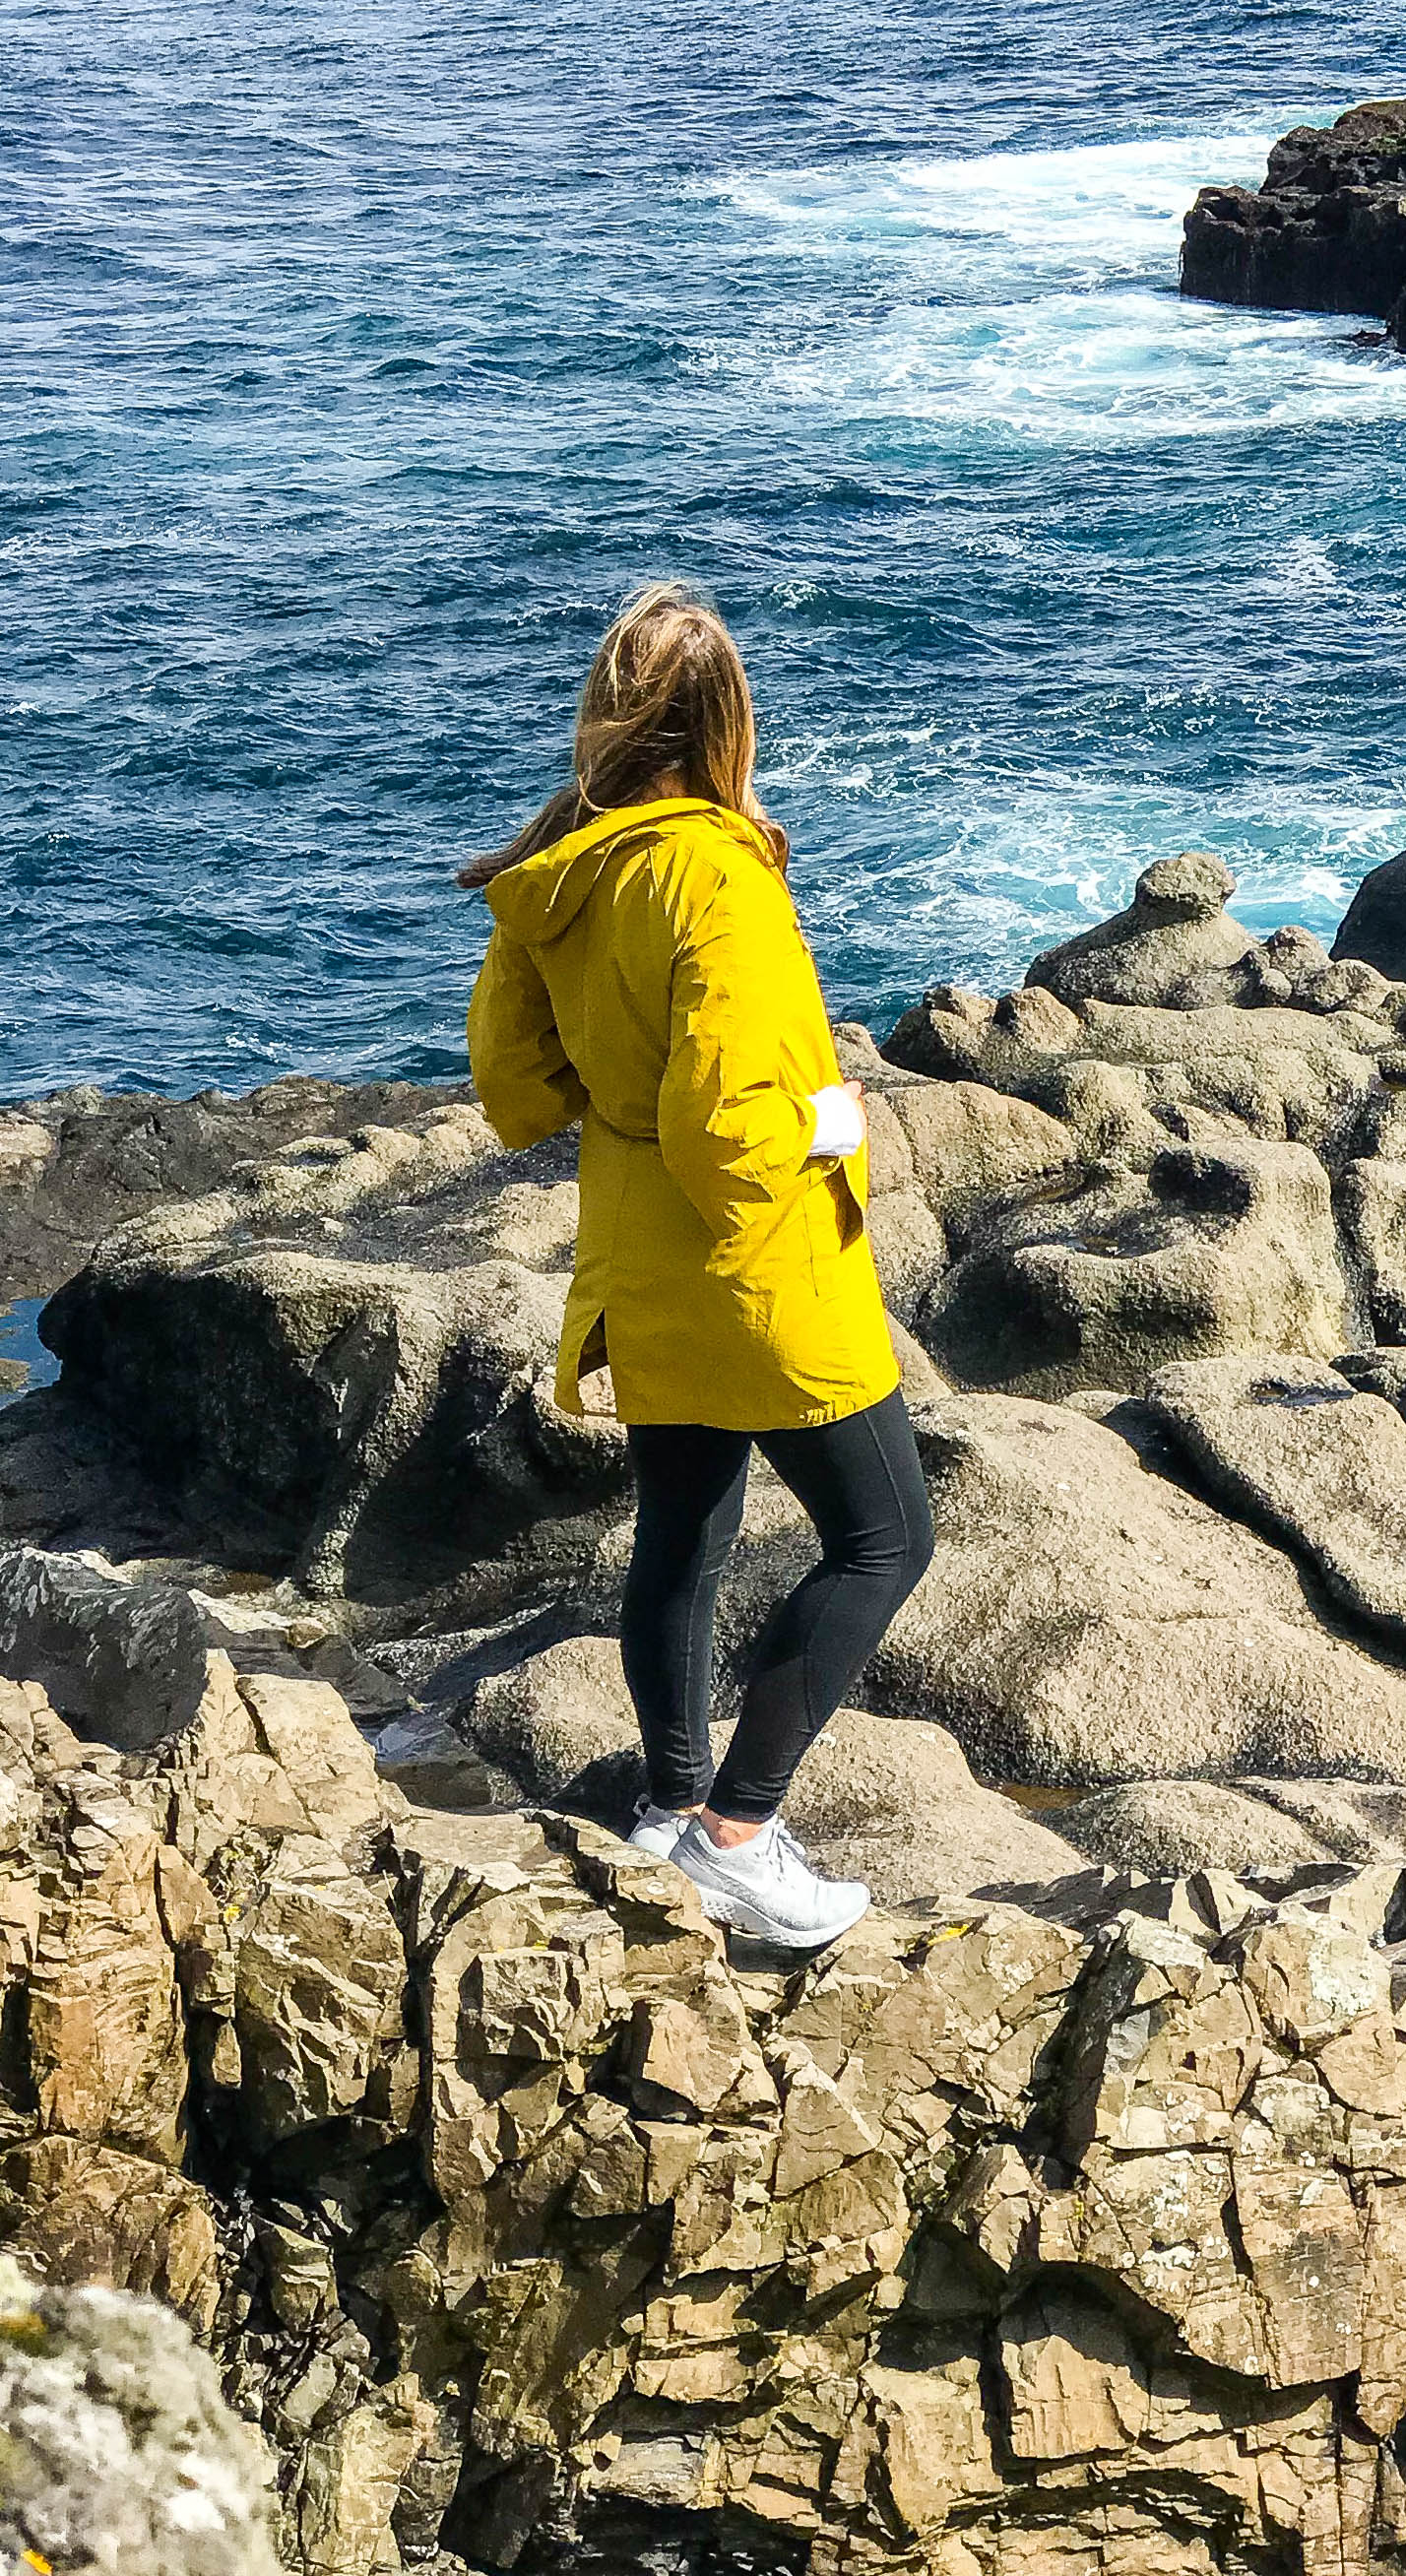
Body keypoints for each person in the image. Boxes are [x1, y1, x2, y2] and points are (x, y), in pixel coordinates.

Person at [460, 582, 931, 1951]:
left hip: (636, 1251)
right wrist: (835, 1115)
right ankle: (738, 1832)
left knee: (687, 1531)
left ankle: (672, 1810)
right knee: (888, 1535)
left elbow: (513, 1087)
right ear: (729, 724)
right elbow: (731, 1129)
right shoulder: (715, 871)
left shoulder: (557, 871)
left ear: (607, 722)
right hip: (758, 1265)